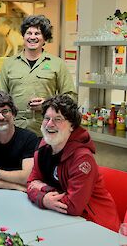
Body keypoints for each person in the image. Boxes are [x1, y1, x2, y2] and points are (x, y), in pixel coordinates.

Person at [26, 94, 120, 232]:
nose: (50, 124)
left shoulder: (82, 159)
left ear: (72, 126)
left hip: (96, 226)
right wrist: (43, 199)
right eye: (47, 118)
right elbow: (30, 183)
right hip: (60, 220)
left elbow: (73, 206)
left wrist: (43, 191)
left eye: (58, 119)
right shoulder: (43, 148)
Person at [0, 15, 77, 136]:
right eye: (29, 33)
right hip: (14, 130)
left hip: (47, 130)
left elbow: (70, 98)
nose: (32, 37)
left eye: (37, 33)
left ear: (44, 38)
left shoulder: (57, 64)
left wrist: (48, 105)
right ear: (23, 36)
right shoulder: (9, 64)